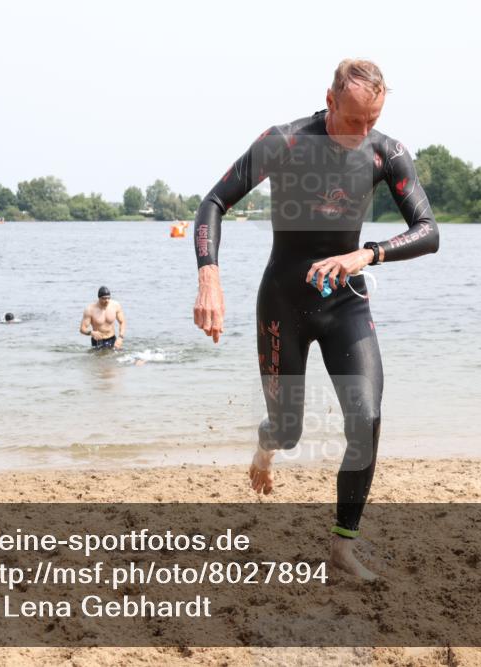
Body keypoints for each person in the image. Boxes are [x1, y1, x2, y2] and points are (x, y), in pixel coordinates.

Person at [192, 59, 439, 579]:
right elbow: (214, 202)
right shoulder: (284, 142)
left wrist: (367, 255)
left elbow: (428, 231)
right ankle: (265, 449)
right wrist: (209, 278)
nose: (363, 131)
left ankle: (343, 548)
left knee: (366, 419)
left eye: (373, 118)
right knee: (287, 431)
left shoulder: (385, 152)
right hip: (284, 302)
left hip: (346, 300)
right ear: (329, 102)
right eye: (353, 119)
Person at [80, 286, 125, 350]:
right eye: (104, 298)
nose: (107, 300)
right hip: (98, 341)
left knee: (117, 358)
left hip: (112, 339)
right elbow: (82, 329)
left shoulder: (115, 305)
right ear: (99, 298)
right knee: (98, 359)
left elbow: (122, 322)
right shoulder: (90, 309)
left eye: (108, 298)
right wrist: (91, 333)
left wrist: (120, 337)